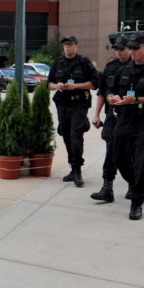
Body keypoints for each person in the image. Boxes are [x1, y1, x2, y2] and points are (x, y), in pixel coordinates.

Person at [105, 32, 144, 221]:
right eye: (130, 48)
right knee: (119, 158)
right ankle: (139, 182)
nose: (131, 51)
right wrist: (112, 98)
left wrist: (137, 99)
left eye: (135, 48)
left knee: (141, 162)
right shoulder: (123, 70)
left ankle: (137, 201)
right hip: (124, 119)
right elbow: (110, 90)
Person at [48, 35, 99, 187]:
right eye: (65, 45)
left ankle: (77, 171)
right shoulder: (58, 62)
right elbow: (48, 83)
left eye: (70, 45)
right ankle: (73, 166)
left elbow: (95, 83)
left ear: (76, 46)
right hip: (62, 104)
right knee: (66, 135)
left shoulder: (84, 62)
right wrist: (57, 86)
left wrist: (75, 86)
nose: (67, 47)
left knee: (76, 136)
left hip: (79, 104)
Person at [89, 36, 131, 203]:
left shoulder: (136, 66)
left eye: (121, 49)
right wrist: (97, 114)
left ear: (129, 48)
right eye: (116, 49)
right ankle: (107, 187)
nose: (118, 52)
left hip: (132, 118)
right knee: (111, 151)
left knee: (130, 154)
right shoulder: (110, 67)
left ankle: (133, 184)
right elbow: (102, 92)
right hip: (113, 116)